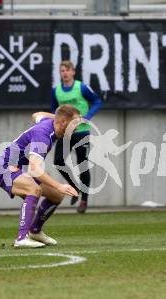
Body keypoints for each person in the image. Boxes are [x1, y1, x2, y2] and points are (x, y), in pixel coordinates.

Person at [0, 105, 80, 248]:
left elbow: (36, 114)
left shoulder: (48, 121)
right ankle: (21, 238)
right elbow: (35, 169)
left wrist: (58, 117)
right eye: (74, 123)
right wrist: (59, 185)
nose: (76, 127)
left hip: (21, 167)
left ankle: (35, 231)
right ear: (63, 122)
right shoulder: (43, 135)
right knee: (34, 190)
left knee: (57, 195)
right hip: (4, 167)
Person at [51, 60, 103, 213]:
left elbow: (97, 101)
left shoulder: (82, 87)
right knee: (58, 161)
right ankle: (74, 186)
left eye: (67, 70)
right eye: (62, 70)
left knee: (82, 164)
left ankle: (84, 201)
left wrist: (87, 116)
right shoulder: (56, 91)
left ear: (73, 72)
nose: (65, 73)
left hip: (81, 131)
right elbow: (55, 110)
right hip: (65, 132)